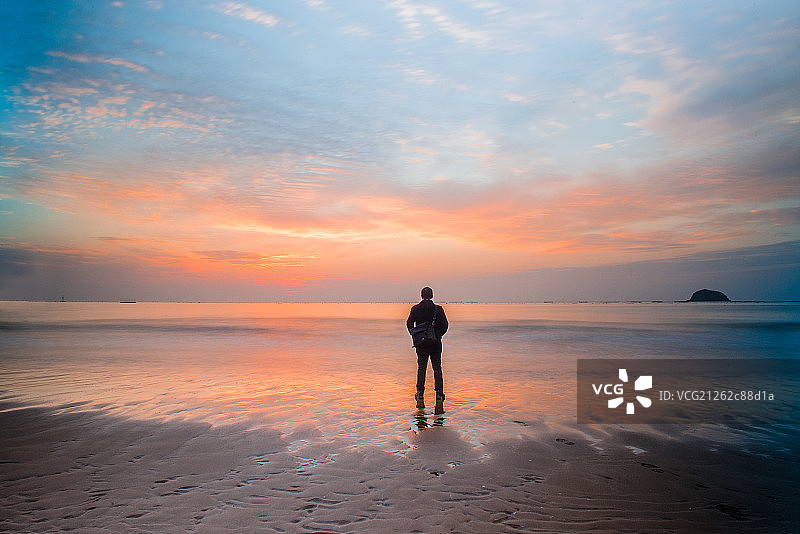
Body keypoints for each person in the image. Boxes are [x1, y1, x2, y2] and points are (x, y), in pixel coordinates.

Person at [406, 286, 448, 411]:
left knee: (421, 368)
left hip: (422, 344)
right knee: (437, 369)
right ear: (432, 295)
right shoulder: (438, 309)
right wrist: (438, 335)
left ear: (421, 296)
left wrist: (416, 335)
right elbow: (445, 326)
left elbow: (409, 324)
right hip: (436, 343)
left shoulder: (415, 309)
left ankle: (420, 394)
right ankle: (439, 395)